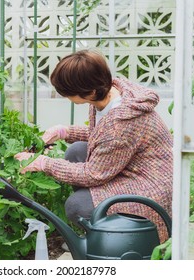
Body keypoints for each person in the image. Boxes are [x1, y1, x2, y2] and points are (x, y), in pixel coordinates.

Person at [14, 49, 173, 243]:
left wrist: (44, 163)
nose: (66, 98)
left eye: (68, 94)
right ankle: (99, 225)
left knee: (77, 206)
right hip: (130, 167)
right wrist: (65, 132)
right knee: (77, 151)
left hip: (150, 187)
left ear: (90, 92)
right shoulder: (109, 93)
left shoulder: (121, 123)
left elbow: (93, 174)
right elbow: (102, 137)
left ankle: (118, 241)